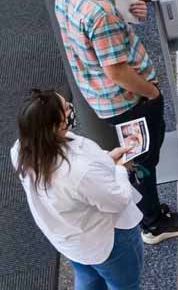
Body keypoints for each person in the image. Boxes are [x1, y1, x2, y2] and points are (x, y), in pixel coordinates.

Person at [53, 0, 178, 244]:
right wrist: (151, 92)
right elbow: (116, 71)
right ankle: (154, 222)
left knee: (138, 157)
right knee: (145, 158)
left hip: (101, 95)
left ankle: (145, 206)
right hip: (129, 99)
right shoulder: (100, 13)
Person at [12, 89, 143, 290]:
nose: (70, 108)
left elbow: (76, 187)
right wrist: (119, 170)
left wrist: (105, 161)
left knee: (87, 279)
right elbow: (117, 200)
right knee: (125, 285)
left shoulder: (21, 149)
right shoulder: (79, 171)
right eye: (66, 108)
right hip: (107, 240)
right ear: (56, 125)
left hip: (69, 240)